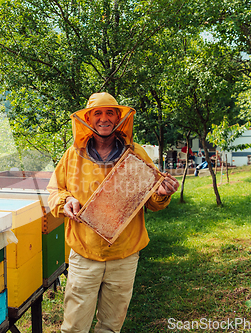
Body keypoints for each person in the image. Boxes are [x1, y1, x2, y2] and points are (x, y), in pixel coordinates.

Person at [47, 92, 179, 333]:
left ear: (119, 118)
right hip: (84, 253)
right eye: (98, 113)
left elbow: (153, 202)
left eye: (110, 113)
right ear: (87, 118)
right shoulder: (72, 155)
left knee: (110, 327)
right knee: (74, 327)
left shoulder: (136, 154)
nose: (104, 118)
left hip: (124, 255)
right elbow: (54, 190)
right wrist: (66, 200)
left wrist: (162, 192)